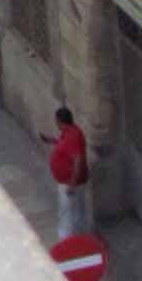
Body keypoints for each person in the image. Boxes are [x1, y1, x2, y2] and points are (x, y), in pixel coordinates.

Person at [48, 102, 91, 247]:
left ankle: (65, 245)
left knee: (67, 214)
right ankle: (81, 241)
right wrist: (52, 141)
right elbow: (64, 146)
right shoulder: (69, 132)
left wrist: (72, 183)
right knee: (77, 213)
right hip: (71, 181)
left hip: (70, 183)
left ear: (60, 121)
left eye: (56, 121)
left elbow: (78, 160)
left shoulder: (73, 136)